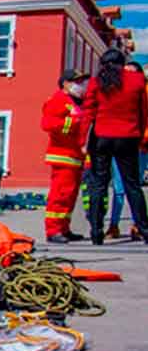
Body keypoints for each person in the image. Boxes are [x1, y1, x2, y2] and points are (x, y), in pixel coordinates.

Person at [81, 49, 148, 245]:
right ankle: (144, 229)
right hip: (128, 136)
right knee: (132, 185)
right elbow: (143, 111)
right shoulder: (136, 79)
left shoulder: (96, 81)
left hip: (101, 137)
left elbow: (88, 112)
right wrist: (141, 136)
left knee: (99, 185)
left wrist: (82, 142)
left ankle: (96, 231)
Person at [40, 69, 89, 244]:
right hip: (62, 155)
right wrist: (73, 122)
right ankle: (53, 230)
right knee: (60, 194)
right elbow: (48, 124)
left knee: (70, 195)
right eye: (78, 81)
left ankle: (64, 228)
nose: (82, 85)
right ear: (66, 84)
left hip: (75, 156)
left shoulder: (77, 102)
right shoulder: (58, 100)